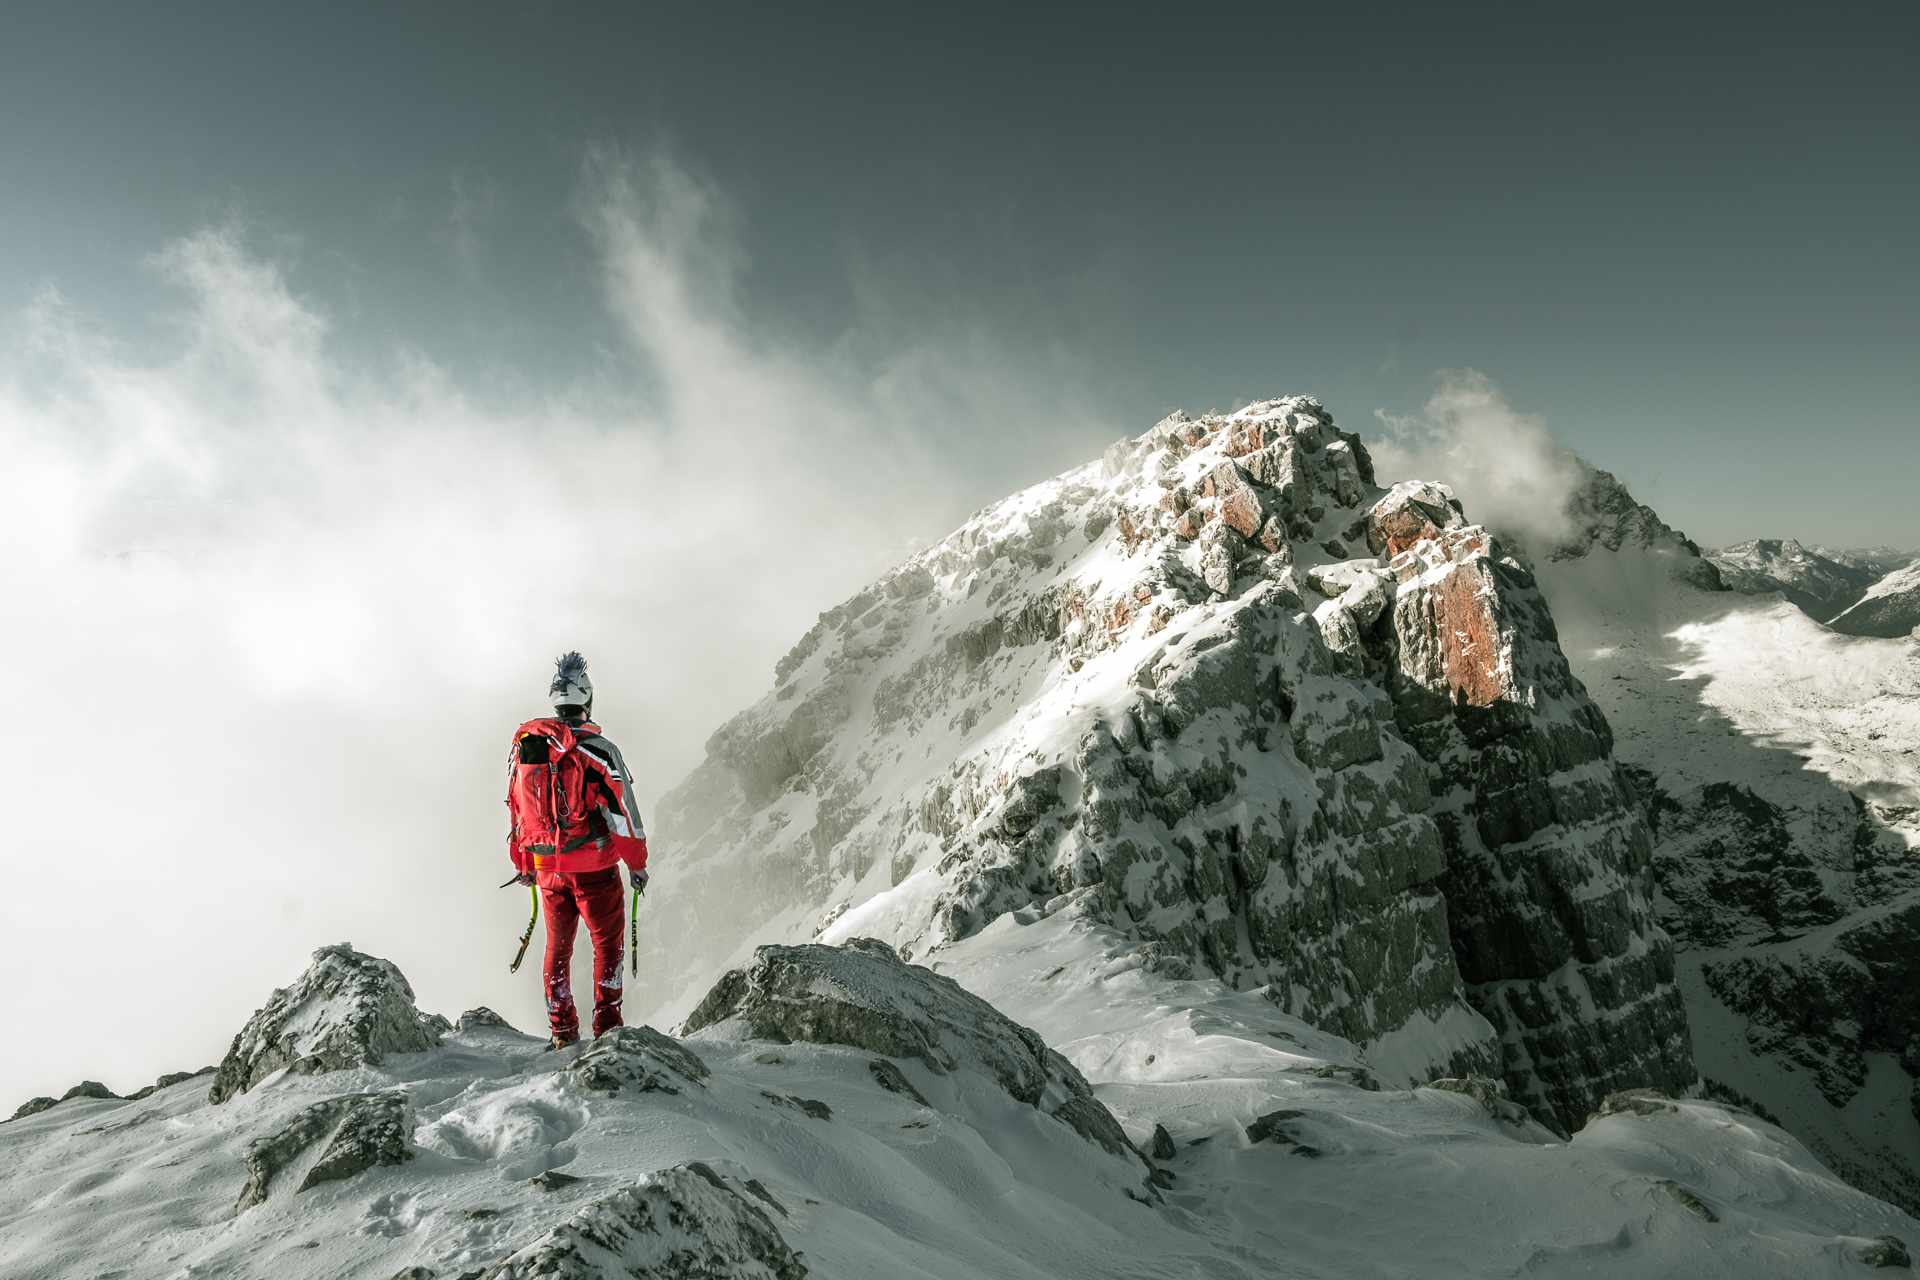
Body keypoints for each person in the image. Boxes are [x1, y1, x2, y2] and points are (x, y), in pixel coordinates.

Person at [504, 652, 650, 1048]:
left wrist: (525, 862)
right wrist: (637, 864)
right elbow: (623, 815)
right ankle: (607, 1027)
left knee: (557, 947)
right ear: (587, 700)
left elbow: (517, 808)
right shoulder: (599, 750)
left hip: (546, 864)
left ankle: (562, 1031)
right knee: (607, 945)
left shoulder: (527, 747)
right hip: (595, 869)